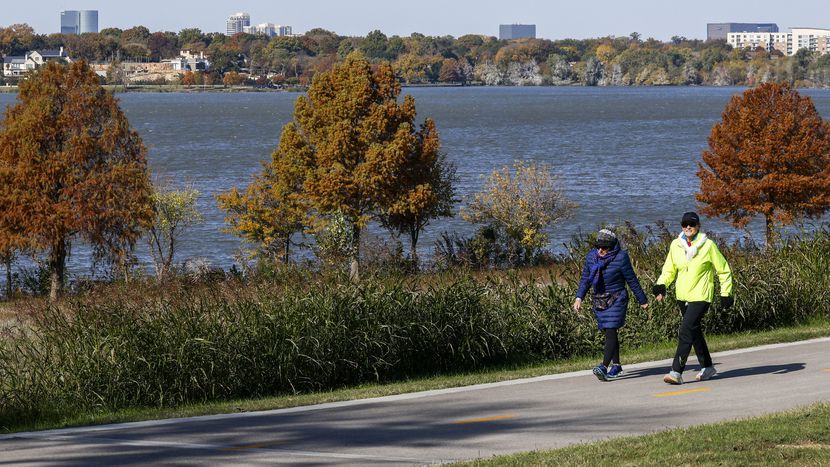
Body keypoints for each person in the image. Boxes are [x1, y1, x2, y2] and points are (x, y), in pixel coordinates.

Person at [653, 211, 734, 385]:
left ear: (698, 226)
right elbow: (669, 270)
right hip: (682, 296)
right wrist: (661, 286)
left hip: (701, 296)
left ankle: (676, 372)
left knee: (685, 330)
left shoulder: (708, 245)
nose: (688, 227)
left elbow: (723, 270)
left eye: (692, 224)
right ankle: (708, 366)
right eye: (685, 224)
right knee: (694, 331)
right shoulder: (676, 245)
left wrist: (726, 293)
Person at [574, 229, 649, 381]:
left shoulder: (621, 258)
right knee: (610, 331)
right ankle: (617, 366)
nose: (601, 250)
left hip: (617, 298)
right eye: (598, 246)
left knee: (610, 329)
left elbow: (632, 280)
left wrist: (642, 300)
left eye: (605, 247)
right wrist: (578, 297)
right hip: (600, 299)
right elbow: (585, 280)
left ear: (613, 246)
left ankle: (603, 366)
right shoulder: (591, 257)